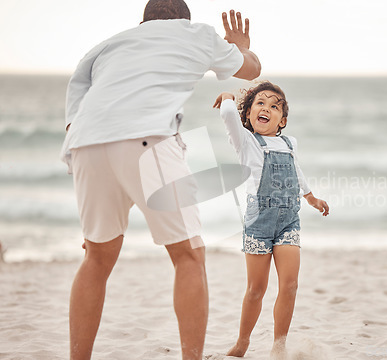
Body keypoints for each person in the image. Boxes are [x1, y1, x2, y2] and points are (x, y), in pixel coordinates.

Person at [61, 0, 261, 359]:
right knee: (188, 256)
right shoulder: (196, 33)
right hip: (148, 139)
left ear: (143, 22)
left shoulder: (108, 44)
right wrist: (239, 46)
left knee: (96, 257)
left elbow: (76, 101)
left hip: (86, 144)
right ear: (184, 21)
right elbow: (251, 70)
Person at [213, 81, 329, 358]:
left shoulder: (291, 143)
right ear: (249, 115)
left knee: (290, 285)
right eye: (260, 104)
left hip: (289, 220)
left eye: (274, 106)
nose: (266, 108)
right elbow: (228, 115)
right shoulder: (246, 142)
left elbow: (296, 169)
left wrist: (310, 196)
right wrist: (228, 96)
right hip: (258, 224)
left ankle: (279, 345)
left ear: (283, 120)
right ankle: (242, 342)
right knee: (256, 289)